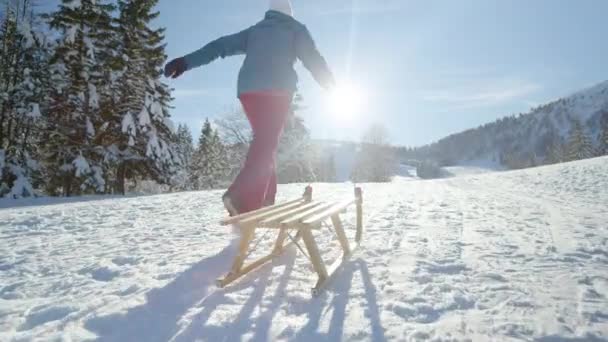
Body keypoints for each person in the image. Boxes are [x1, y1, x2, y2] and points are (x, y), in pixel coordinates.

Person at [164, 0, 334, 216]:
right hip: (278, 92)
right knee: (267, 141)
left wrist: (185, 62)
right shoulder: (296, 30)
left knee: (266, 140)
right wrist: (330, 84)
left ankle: (266, 198)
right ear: (289, 14)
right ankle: (241, 198)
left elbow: (219, 46)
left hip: (249, 92)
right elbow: (313, 59)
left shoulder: (255, 31)